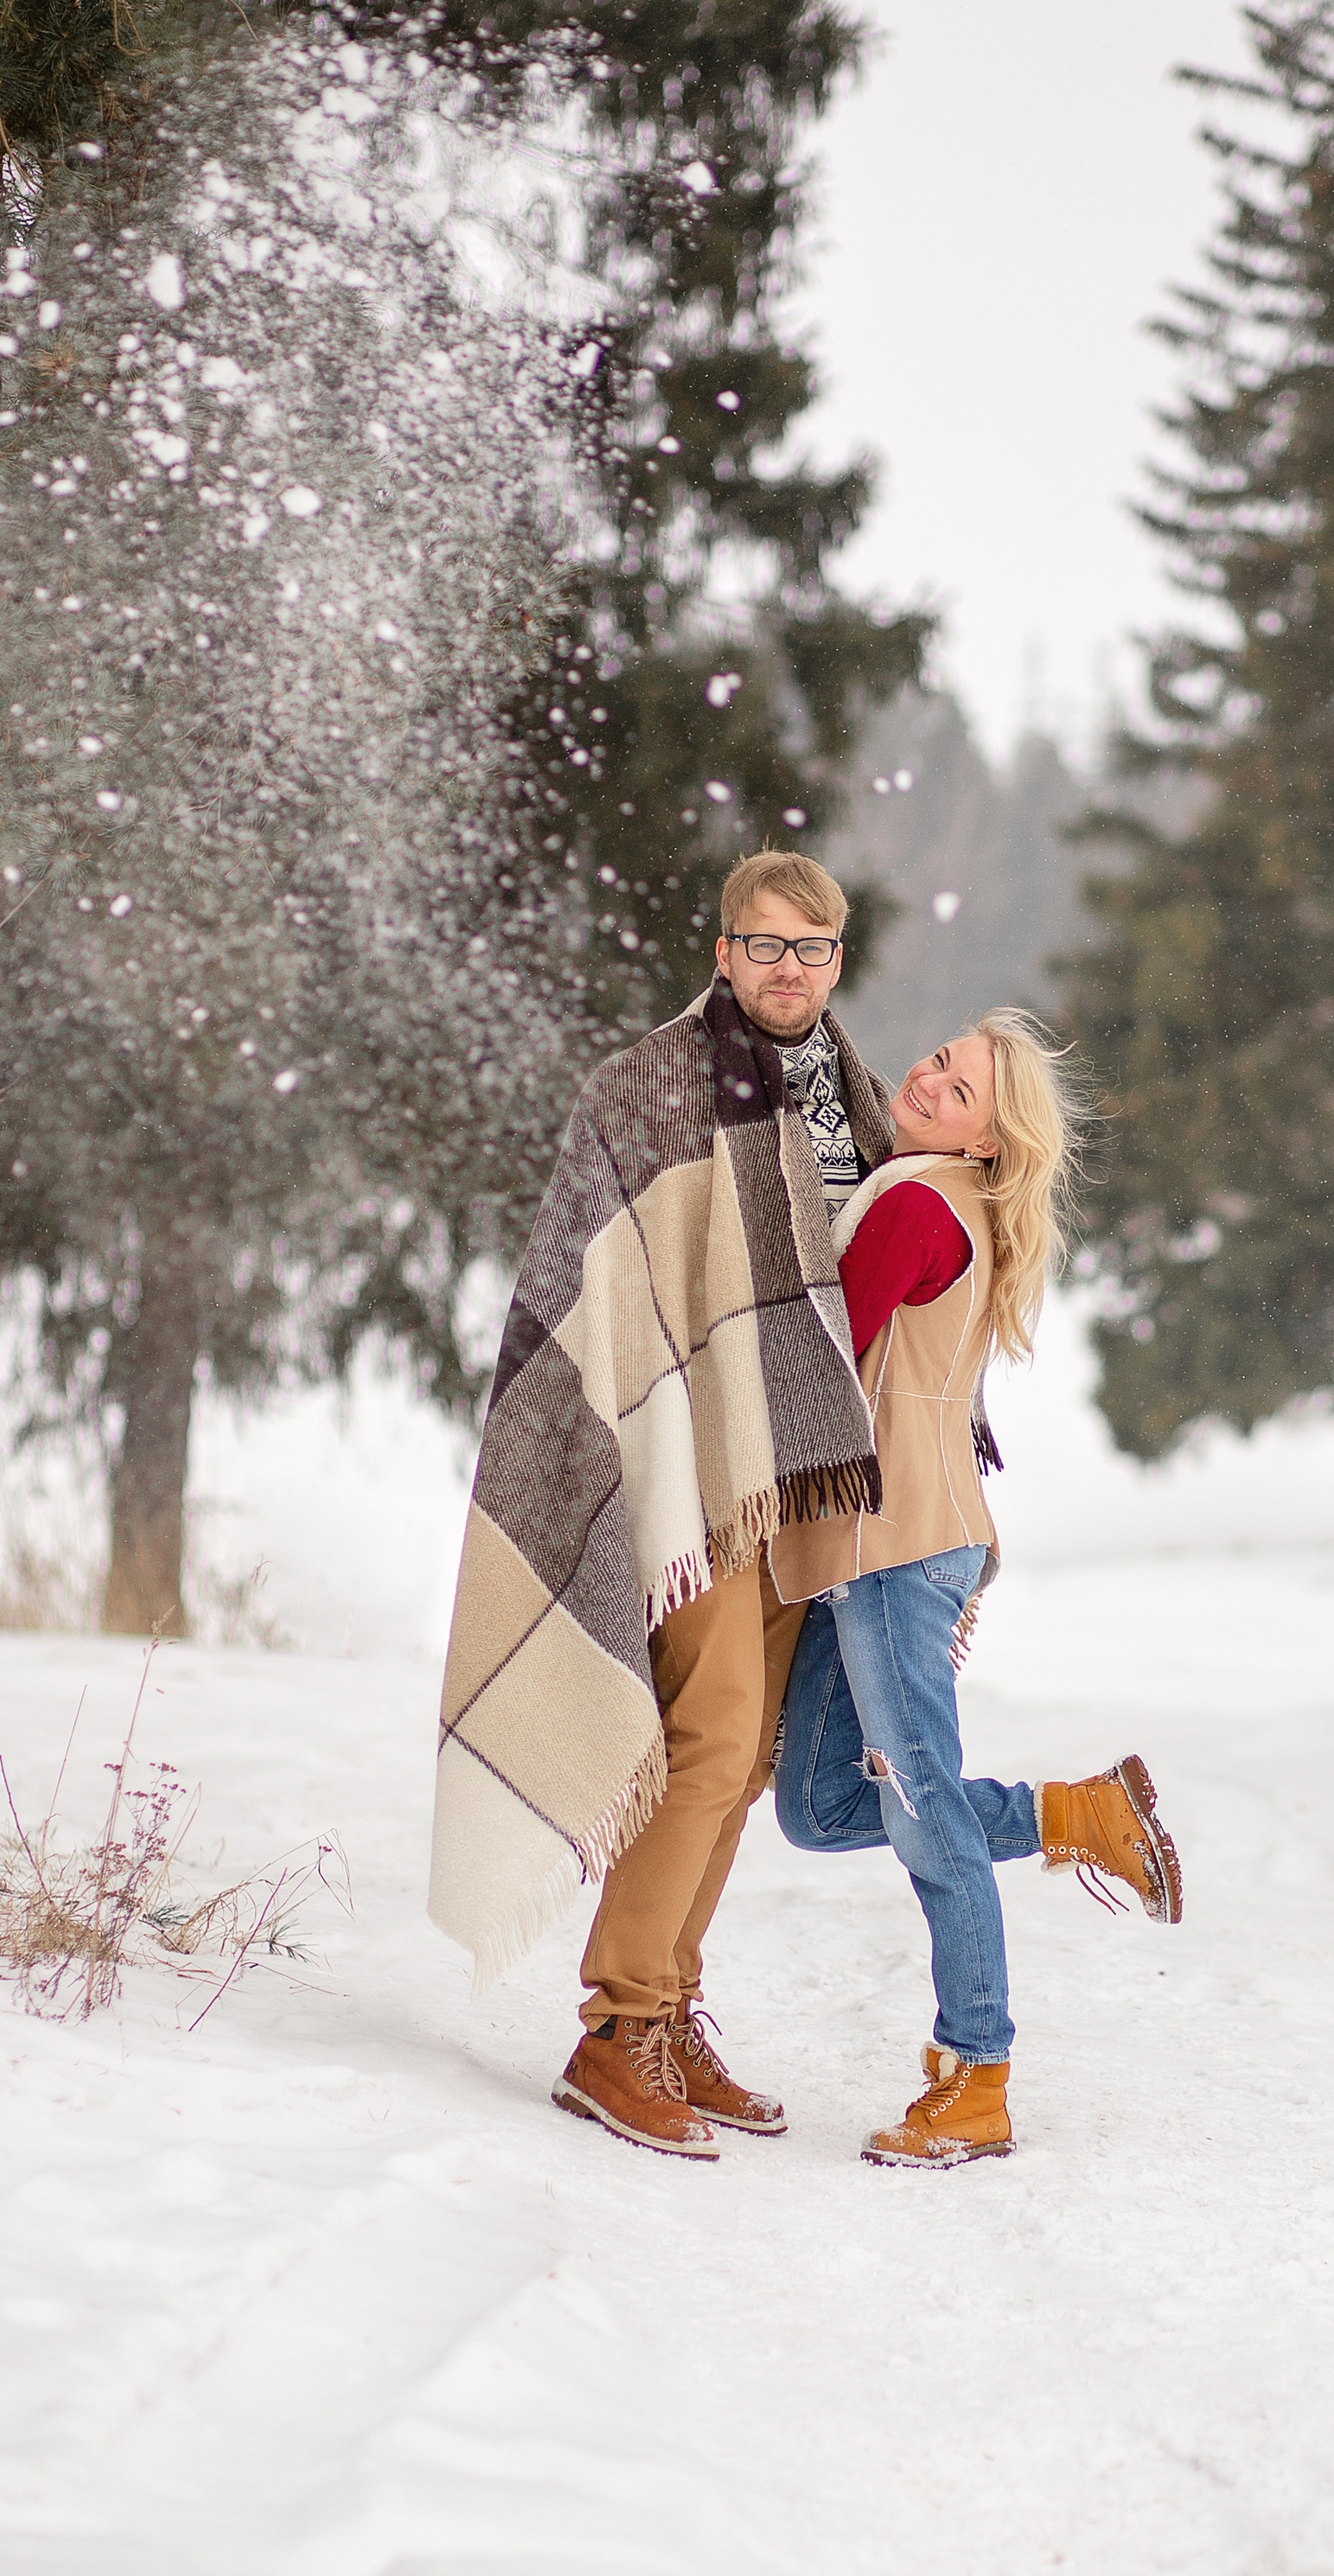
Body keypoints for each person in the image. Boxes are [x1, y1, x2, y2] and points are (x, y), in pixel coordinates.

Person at [430, 851, 890, 2158]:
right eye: (765, 944)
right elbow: (597, 1292)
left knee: (748, 1756)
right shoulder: (646, 1089)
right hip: (687, 1467)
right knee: (712, 1732)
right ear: (724, 950)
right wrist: (657, 1436)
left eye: (812, 948)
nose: (788, 969)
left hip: (799, 1471)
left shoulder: (855, 1097)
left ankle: (670, 2010)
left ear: (837, 960)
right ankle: (614, 2030)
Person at [769, 1011, 1184, 2168]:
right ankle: (1078, 1816)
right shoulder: (945, 1197)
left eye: (959, 1089)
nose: (930, 1078)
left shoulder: (915, 1207)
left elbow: (820, 1355)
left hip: (897, 1546)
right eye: (942, 1060)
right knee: (817, 1810)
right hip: (879, 1543)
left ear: (990, 1140)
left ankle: (976, 2077)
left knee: (925, 1813)